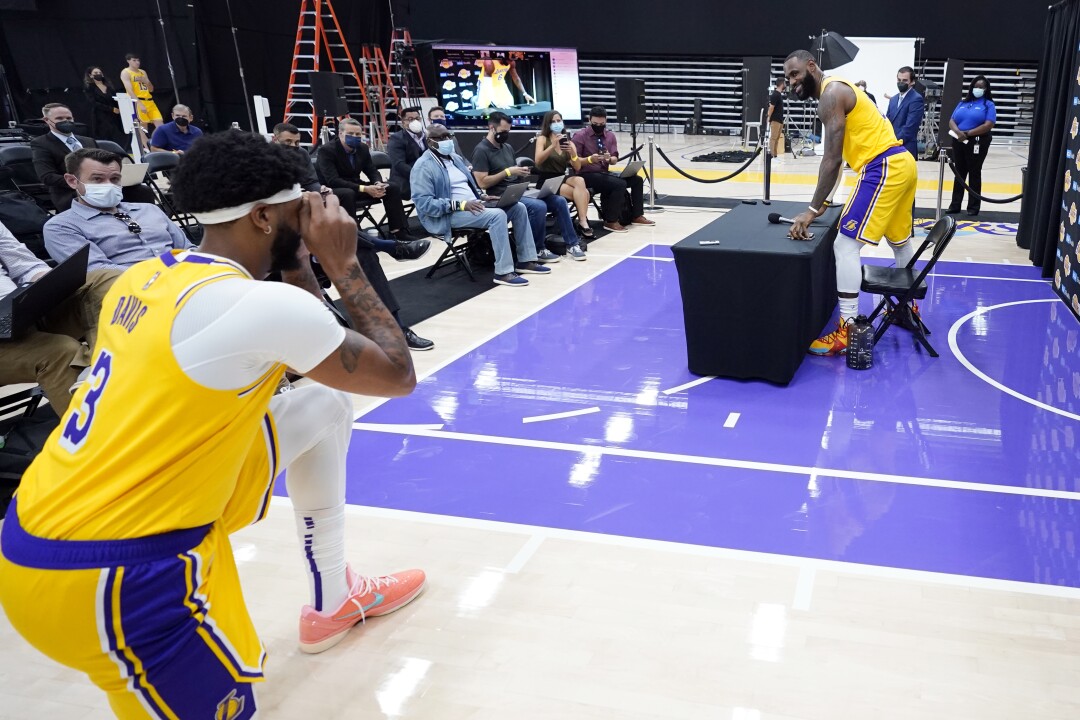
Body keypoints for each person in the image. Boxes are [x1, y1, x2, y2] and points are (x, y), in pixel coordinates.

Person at [0, 130, 427, 718]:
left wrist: (300, 261)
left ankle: (334, 598)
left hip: (52, 521)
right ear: (260, 218)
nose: (310, 215)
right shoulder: (257, 307)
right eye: (296, 208)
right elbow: (398, 375)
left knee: (324, 409)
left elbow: (316, 362)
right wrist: (343, 262)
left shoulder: (147, 276)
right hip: (110, 572)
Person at [783, 49, 918, 356]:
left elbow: (831, 159)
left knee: (845, 246)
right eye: (787, 78)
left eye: (795, 74)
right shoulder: (839, 87)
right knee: (899, 242)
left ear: (811, 66)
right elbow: (841, 155)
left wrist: (812, 209)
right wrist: (825, 202)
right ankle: (907, 309)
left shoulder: (831, 94)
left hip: (882, 166)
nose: (791, 82)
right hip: (902, 163)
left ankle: (847, 327)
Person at [272, 124, 433, 350]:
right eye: (287, 142)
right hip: (288, 236)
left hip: (311, 223)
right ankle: (389, 246)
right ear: (274, 139)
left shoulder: (301, 155)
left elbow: (311, 181)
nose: (293, 147)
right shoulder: (263, 163)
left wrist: (319, 190)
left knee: (363, 252)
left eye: (297, 143)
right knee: (341, 201)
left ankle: (398, 328)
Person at [0, 220, 121, 412]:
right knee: (61, 352)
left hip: (18, 312)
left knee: (103, 279)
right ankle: (98, 435)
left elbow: (24, 265)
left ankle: (107, 370)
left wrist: (47, 283)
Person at [413, 123, 549, 286]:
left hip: (473, 206)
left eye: (448, 136)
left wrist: (483, 197)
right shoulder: (422, 166)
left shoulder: (455, 158)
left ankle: (526, 261)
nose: (446, 140)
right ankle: (503, 272)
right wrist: (461, 205)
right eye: (440, 138)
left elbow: (467, 187)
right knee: (498, 216)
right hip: (446, 215)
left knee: (518, 207)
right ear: (429, 142)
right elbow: (424, 204)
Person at [43, 148, 193, 270]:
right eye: (97, 179)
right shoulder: (62, 226)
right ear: (72, 181)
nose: (108, 185)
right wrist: (165, 272)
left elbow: (187, 248)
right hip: (133, 293)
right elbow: (99, 272)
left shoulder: (149, 209)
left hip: (185, 279)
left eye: (115, 179)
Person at [472, 112, 583, 261]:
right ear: (491, 128)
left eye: (508, 131)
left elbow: (513, 173)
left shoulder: (507, 147)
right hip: (500, 195)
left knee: (559, 201)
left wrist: (520, 173)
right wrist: (507, 172)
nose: (506, 134)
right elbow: (482, 182)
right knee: (538, 206)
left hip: (519, 190)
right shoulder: (481, 150)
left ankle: (572, 244)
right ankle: (538, 249)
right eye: (503, 131)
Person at [316, 118, 419, 242]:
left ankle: (398, 231)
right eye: (351, 134)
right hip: (334, 189)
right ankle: (356, 236)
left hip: (356, 185)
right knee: (348, 193)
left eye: (358, 134)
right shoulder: (326, 150)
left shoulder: (362, 148)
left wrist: (378, 183)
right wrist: (365, 188)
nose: (355, 137)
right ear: (340, 134)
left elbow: (371, 170)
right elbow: (333, 180)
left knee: (391, 187)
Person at [572, 106, 655, 233]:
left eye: (602, 124)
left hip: (604, 172)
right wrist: (589, 159)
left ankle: (636, 215)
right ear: (589, 120)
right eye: (595, 124)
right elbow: (574, 161)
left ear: (606, 121)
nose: (599, 126)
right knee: (619, 184)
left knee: (637, 180)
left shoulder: (610, 136)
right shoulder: (580, 136)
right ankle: (611, 221)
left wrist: (609, 159)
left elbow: (615, 158)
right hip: (586, 175)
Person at [534, 110, 594, 239]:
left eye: (558, 121)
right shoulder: (542, 139)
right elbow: (538, 161)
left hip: (561, 176)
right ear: (548, 124)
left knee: (579, 181)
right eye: (553, 121)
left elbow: (577, 167)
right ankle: (583, 224)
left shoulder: (569, 142)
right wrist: (552, 146)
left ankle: (583, 221)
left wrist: (573, 153)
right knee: (585, 194)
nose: (557, 124)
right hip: (547, 179)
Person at [947, 76, 997, 217]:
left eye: (981, 87)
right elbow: (951, 120)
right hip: (958, 140)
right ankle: (955, 205)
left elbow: (988, 125)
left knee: (974, 172)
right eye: (976, 86)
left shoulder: (988, 104)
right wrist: (958, 132)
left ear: (986, 89)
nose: (978, 89)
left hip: (977, 141)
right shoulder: (963, 103)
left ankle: (973, 207)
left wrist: (968, 133)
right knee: (959, 172)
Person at [386, 106, 426, 199]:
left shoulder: (426, 136)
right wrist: (420, 176)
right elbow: (399, 164)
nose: (414, 122)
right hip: (406, 179)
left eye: (417, 119)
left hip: (426, 177)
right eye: (410, 119)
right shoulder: (396, 139)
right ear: (403, 123)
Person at [82, 66, 127, 147]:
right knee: (104, 134)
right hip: (100, 115)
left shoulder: (109, 86)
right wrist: (111, 109)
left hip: (114, 115)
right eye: (95, 73)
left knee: (116, 133)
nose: (98, 74)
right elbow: (93, 103)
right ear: (90, 75)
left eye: (100, 73)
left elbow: (114, 98)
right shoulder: (89, 88)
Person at [886, 66, 925, 157]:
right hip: (890, 148)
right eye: (899, 80)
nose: (901, 83)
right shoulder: (893, 99)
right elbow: (887, 122)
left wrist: (894, 142)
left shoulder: (916, 99)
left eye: (904, 80)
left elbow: (910, 127)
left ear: (912, 82)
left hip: (906, 149)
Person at [119, 53, 163, 131]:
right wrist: (139, 103)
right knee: (143, 127)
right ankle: (145, 143)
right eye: (134, 60)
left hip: (149, 100)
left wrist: (146, 81)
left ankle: (153, 142)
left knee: (161, 126)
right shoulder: (125, 72)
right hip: (138, 101)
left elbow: (151, 89)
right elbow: (129, 90)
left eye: (138, 60)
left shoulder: (143, 72)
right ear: (128, 61)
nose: (137, 62)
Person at [767, 78, 786, 159]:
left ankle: (775, 155)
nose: (786, 85)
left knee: (777, 138)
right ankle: (771, 155)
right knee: (773, 138)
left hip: (780, 119)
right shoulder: (775, 94)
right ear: (782, 84)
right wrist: (768, 117)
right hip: (775, 120)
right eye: (785, 83)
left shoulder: (779, 94)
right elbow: (771, 107)